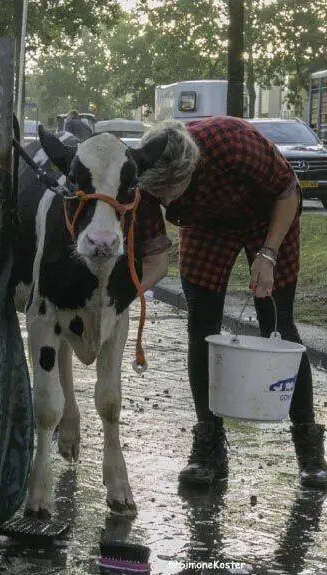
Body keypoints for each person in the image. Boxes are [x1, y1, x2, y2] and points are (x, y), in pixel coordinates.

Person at [137, 116, 326, 490]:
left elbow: (287, 191)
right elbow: (154, 258)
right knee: (200, 326)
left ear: (191, 168)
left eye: (171, 191)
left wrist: (268, 254)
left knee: (279, 326)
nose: (166, 201)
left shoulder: (234, 144)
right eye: (159, 194)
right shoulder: (147, 177)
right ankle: (208, 449)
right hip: (206, 224)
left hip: (267, 213)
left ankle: (310, 451)